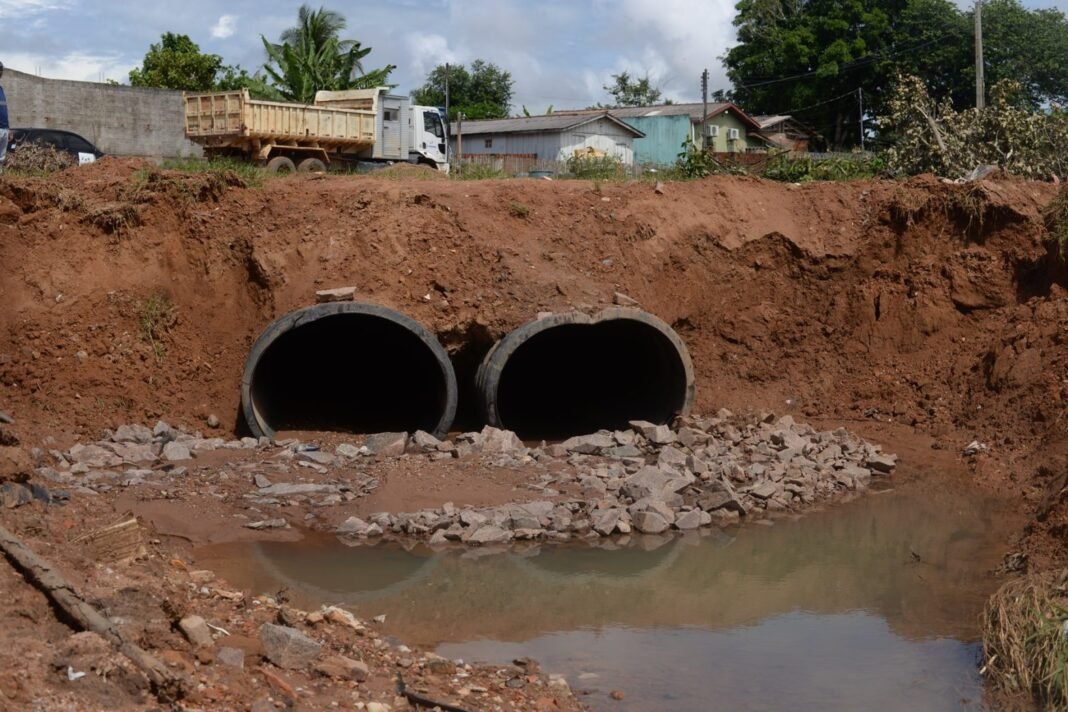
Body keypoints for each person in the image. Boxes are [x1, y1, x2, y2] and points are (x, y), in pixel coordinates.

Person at [0, 61, 7, 173]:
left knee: (1, 159)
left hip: (4, 129)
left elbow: (4, 110)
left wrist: (8, 128)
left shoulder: (1, 89)